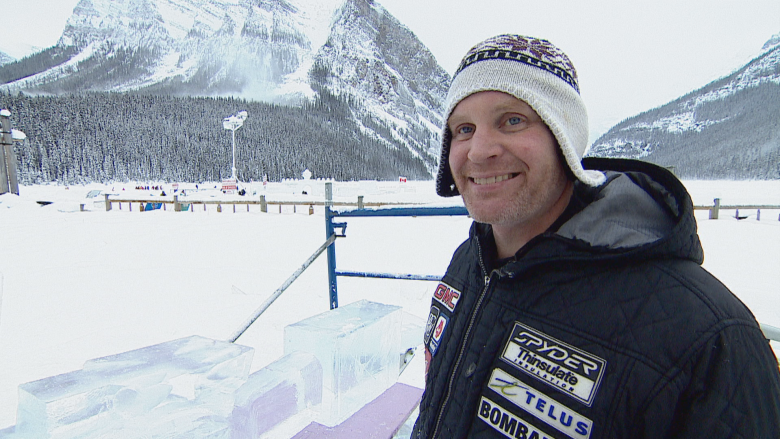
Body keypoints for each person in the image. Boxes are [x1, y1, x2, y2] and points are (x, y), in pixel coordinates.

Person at [413, 34, 780, 439]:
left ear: (564, 138)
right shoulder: (470, 262)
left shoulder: (710, 336)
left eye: (513, 120)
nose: (479, 151)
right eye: (463, 129)